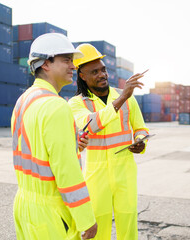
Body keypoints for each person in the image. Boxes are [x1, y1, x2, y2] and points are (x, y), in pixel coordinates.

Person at [11, 33, 97, 240]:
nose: (73, 66)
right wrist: (86, 218)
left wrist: (71, 144)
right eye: (66, 59)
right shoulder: (56, 106)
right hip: (51, 212)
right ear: (45, 63)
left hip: (24, 205)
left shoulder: (24, 100)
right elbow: (66, 171)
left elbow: (36, 149)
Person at [68, 43, 149, 239]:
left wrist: (141, 141)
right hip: (96, 176)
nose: (102, 74)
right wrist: (121, 98)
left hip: (125, 172)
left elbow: (141, 128)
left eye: (103, 69)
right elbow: (90, 125)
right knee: (98, 228)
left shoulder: (128, 98)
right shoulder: (77, 104)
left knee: (128, 226)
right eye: (94, 72)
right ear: (82, 76)